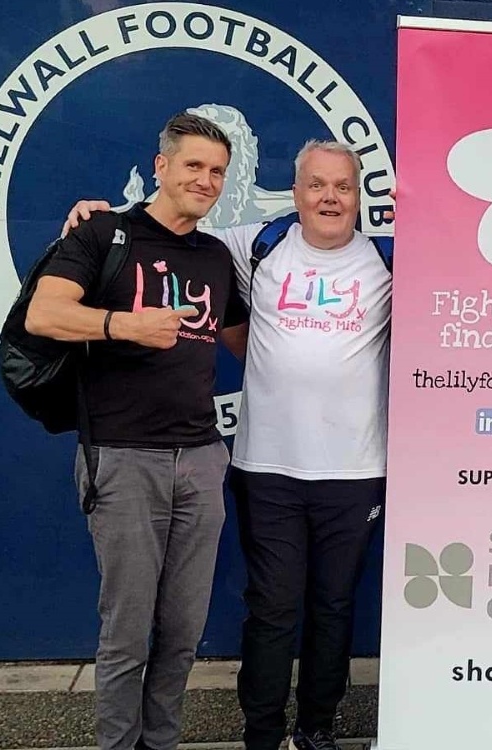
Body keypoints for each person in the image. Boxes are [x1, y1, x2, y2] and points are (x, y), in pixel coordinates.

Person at [65, 139, 391, 750]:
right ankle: (261, 736)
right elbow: (165, 232)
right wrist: (95, 217)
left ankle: (316, 730)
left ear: (358, 196)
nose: (329, 197)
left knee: (334, 607)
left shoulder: (390, 262)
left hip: (357, 470)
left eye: (343, 187)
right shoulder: (251, 246)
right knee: (272, 610)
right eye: (316, 185)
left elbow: (465, 270)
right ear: (295, 194)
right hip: (267, 466)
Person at [27, 112, 247, 750]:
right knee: (125, 635)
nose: (204, 181)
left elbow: (252, 344)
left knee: (182, 633)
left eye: (216, 172)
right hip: (123, 459)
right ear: (161, 166)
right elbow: (45, 313)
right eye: (193, 166)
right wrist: (126, 325)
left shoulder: (216, 256)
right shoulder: (103, 233)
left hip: (202, 461)